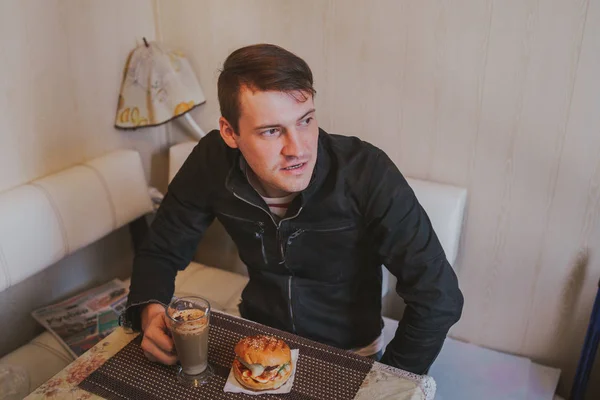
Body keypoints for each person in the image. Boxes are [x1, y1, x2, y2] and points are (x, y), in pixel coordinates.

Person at [124, 43, 464, 375]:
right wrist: (150, 311)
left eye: (305, 121)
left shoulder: (367, 172)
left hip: (347, 353)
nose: (298, 149)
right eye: (272, 131)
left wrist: (388, 382)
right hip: (257, 338)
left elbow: (438, 297)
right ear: (230, 132)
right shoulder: (211, 161)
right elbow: (160, 250)